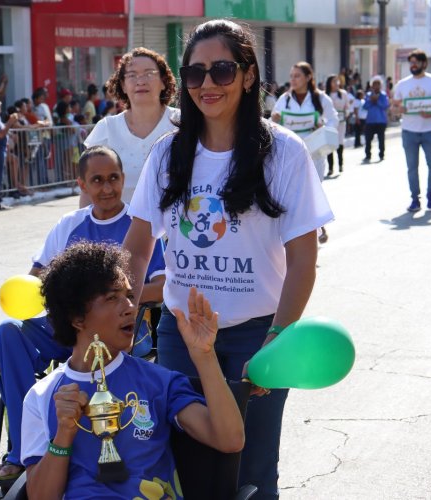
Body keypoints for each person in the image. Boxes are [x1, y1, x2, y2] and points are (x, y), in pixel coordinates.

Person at [123, 20, 333, 499]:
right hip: (180, 334)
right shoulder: (167, 154)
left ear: (247, 74)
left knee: (253, 470)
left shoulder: (283, 151)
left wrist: (275, 341)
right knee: (183, 465)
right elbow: (137, 248)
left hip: (257, 337)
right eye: (195, 74)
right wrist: (122, 313)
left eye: (221, 70)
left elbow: (304, 259)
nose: (208, 85)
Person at [0, 145, 166, 481]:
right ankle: (23, 448)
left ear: (123, 179)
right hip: (70, 330)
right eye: (97, 180)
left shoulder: (140, 225)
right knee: (9, 332)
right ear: (82, 185)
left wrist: (113, 299)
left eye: (114, 178)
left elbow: (162, 286)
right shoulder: (69, 224)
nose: (107, 188)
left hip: (120, 333)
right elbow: (37, 278)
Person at [20, 241, 244, 499]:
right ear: (76, 317)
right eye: (112, 298)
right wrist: (64, 434)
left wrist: (204, 356)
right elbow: (39, 496)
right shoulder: (42, 396)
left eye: (128, 296)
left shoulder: (159, 382)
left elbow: (230, 440)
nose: (130, 307)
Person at [83, 47, 178, 207]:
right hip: (119, 226)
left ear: (163, 81)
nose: (141, 81)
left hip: (175, 226)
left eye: (149, 73)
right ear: (123, 85)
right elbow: (88, 189)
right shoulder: (106, 128)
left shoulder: (183, 123)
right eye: (132, 75)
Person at [392, 49, 431, 212]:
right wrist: (400, 109)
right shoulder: (403, 84)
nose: (413, 65)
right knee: (412, 167)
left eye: (416, 62)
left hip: (430, 130)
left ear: (424, 63)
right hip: (409, 131)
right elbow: (394, 108)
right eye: (411, 62)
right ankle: (415, 198)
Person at [272, 62, 338, 180]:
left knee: (313, 195)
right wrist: (274, 120)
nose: (293, 79)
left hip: (314, 154)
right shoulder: (284, 99)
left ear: (308, 77)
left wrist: (323, 129)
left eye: (297, 76)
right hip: (289, 155)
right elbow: (271, 125)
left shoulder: (321, 98)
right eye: (291, 76)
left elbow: (333, 119)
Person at [325, 74, 352, 176]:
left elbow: (347, 106)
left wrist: (347, 114)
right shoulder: (325, 95)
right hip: (329, 123)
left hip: (341, 121)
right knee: (329, 143)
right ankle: (330, 168)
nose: (336, 83)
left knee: (340, 142)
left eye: (337, 81)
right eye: (334, 81)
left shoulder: (343, 94)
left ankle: (340, 164)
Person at [362, 76, 390, 163]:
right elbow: (365, 106)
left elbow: (385, 106)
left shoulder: (383, 95)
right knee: (368, 139)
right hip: (370, 121)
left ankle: (381, 154)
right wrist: (371, 101)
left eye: (378, 84)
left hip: (381, 121)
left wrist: (377, 101)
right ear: (372, 86)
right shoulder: (368, 95)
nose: (376, 86)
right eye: (374, 84)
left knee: (381, 139)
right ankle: (368, 155)